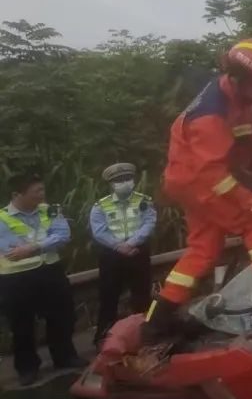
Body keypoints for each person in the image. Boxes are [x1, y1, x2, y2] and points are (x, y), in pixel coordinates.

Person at [142, 38, 252, 342]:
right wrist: (250, 200)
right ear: (240, 80)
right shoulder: (209, 117)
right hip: (199, 181)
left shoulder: (235, 98)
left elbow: (242, 143)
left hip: (188, 180)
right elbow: (214, 174)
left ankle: (157, 321)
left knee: (203, 250)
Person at [0, 173, 86, 386]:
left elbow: (63, 235)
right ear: (17, 194)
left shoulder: (50, 210)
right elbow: (10, 250)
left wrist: (31, 247)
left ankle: (64, 356)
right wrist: (46, 242)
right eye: (36, 191)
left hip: (50, 271)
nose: (42, 195)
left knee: (63, 315)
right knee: (22, 324)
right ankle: (27, 368)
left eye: (42, 190)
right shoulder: (2, 218)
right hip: (16, 277)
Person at [89, 162, 157, 346]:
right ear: (110, 184)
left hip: (138, 252)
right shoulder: (100, 206)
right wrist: (119, 246)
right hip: (112, 255)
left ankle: (147, 335)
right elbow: (99, 231)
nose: (123, 182)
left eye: (127, 178)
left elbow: (149, 223)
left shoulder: (144, 201)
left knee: (142, 295)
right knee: (109, 297)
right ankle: (104, 338)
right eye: (118, 180)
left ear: (133, 179)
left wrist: (131, 243)